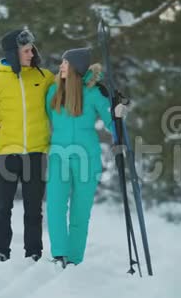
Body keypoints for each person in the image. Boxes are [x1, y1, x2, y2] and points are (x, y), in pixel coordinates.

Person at [0, 28, 55, 263]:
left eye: (32, 49)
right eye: (26, 50)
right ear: (14, 53)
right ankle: (0, 251)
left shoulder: (44, 77)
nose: (31, 54)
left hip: (36, 152)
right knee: (2, 209)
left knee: (34, 210)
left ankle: (33, 252)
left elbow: (65, 95)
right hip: (5, 153)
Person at [45, 47, 128, 268]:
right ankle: (60, 254)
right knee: (55, 206)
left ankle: (74, 259)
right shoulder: (53, 92)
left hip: (86, 159)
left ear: (76, 68)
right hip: (59, 157)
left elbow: (112, 122)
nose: (61, 66)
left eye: (65, 63)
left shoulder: (94, 92)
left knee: (80, 212)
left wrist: (117, 116)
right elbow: (40, 120)